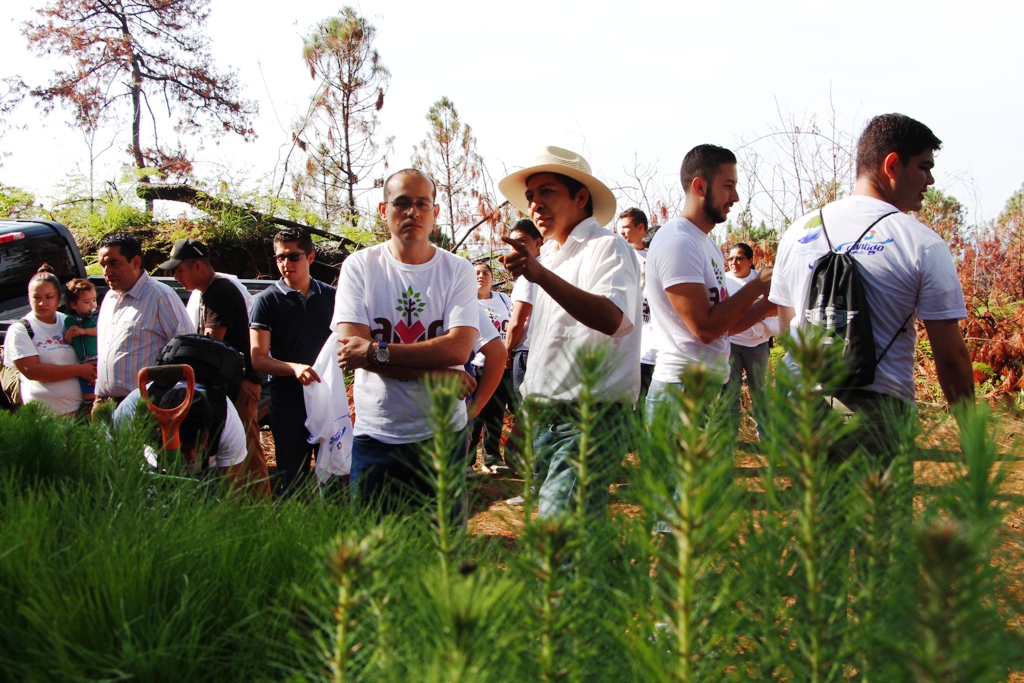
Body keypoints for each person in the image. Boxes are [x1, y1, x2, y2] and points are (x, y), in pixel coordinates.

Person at [769, 113, 973, 451]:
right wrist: (971, 436)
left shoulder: (797, 233)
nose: (930, 180)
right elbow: (951, 356)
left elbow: (789, 331)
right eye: (924, 167)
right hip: (875, 415)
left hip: (801, 411)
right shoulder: (922, 243)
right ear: (892, 165)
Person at [498, 146, 641, 520]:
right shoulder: (550, 258)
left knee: (560, 530)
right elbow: (547, 350)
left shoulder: (607, 247)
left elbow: (612, 318)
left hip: (591, 420)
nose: (535, 204)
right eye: (531, 196)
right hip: (547, 422)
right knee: (574, 534)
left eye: (547, 191)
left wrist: (541, 275)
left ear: (580, 197)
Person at [333, 168, 478, 517]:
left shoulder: (458, 270)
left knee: (441, 542)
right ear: (384, 210)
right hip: (376, 434)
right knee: (373, 542)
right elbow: (352, 350)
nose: (413, 212)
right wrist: (436, 375)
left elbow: (458, 348)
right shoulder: (359, 267)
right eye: (401, 203)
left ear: (435, 212)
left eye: (422, 204)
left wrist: (375, 351)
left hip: (442, 435)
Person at [645, 145, 774, 415]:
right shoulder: (678, 242)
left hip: (709, 387)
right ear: (700, 186)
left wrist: (770, 303)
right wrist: (757, 285)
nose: (735, 197)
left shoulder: (707, 244)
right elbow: (704, 329)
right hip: (682, 392)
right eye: (728, 186)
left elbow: (726, 325)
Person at [162, 238, 270, 497]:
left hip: (241, 383)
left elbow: (210, 346)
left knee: (246, 449)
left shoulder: (220, 291)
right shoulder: (207, 292)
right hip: (226, 384)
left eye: (179, 270)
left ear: (198, 266)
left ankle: (261, 509)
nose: (176, 277)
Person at [250, 228, 336, 497]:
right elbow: (258, 358)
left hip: (328, 401)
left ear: (310, 257)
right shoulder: (266, 301)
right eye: (280, 257)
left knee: (334, 480)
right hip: (289, 404)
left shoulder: (332, 297)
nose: (286, 263)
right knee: (293, 485)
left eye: (293, 256)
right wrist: (294, 368)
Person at [94, 232, 194, 414]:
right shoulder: (109, 298)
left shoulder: (161, 297)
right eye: (103, 265)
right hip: (107, 405)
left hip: (146, 406)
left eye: (113, 264)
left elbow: (188, 351)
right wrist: (99, 397)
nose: (106, 272)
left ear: (136, 262)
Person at [3, 267, 96, 415]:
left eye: (49, 297)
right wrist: (79, 370)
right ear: (29, 298)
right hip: (47, 417)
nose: (42, 303)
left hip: (83, 412)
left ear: (59, 299)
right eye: (36, 297)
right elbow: (31, 371)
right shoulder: (21, 329)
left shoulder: (69, 321)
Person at [113, 383, 247, 482]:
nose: (191, 457)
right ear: (160, 430)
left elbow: (231, 496)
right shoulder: (132, 409)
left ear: (207, 432)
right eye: (184, 450)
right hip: (151, 468)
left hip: (209, 472)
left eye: (197, 445)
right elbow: (109, 468)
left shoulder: (228, 423)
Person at [723, 243, 779, 439]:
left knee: (759, 390)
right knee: (731, 391)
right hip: (731, 344)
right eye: (730, 258)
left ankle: (765, 435)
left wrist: (757, 316)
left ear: (750, 260)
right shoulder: (723, 280)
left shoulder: (761, 280)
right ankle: (731, 436)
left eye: (739, 258)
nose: (733, 263)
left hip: (757, 345)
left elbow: (774, 308)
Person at [468, 261, 516, 472]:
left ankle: (492, 458)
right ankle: (467, 461)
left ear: (492, 277)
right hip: (477, 365)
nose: (481, 276)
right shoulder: (467, 301)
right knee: (476, 414)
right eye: (476, 273)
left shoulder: (504, 300)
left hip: (502, 366)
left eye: (485, 273)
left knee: (496, 414)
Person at [618, 207, 658, 408]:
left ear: (641, 227)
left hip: (658, 341)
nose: (621, 232)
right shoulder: (621, 255)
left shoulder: (658, 253)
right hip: (633, 341)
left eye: (626, 227)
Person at [63, 278, 100, 402]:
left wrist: (84, 331)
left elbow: (100, 331)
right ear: (74, 305)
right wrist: (69, 335)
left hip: (99, 358)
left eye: (94, 300)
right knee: (88, 390)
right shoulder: (70, 320)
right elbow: (69, 341)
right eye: (86, 302)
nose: (92, 305)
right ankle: (89, 405)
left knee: (101, 387)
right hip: (83, 362)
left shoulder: (96, 316)